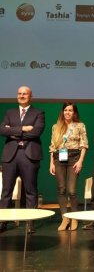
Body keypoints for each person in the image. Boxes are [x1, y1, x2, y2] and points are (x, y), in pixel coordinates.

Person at [0, 86, 45, 234]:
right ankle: (2, 222)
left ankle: (30, 223)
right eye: (19, 93)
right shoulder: (9, 112)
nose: (22, 95)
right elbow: (2, 130)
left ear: (30, 96)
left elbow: (36, 132)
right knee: (6, 191)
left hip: (29, 154)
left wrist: (13, 131)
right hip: (10, 155)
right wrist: (23, 129)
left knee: (30, 190)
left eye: (25, 93)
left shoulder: (38, 112)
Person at [49, 102, 88, 231]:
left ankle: (74, 217)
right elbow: (53, 146)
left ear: (74, 112)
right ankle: (65, 218)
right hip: (58, 158)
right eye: (65, 110)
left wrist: (81, 161)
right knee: (61, 189)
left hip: (74, 158)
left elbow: (84, 144)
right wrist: (51, 163)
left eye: (70, 110)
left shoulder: (80, 125)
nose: (68, 112)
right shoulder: (56, 126)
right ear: (62, 112)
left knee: (71, 191)